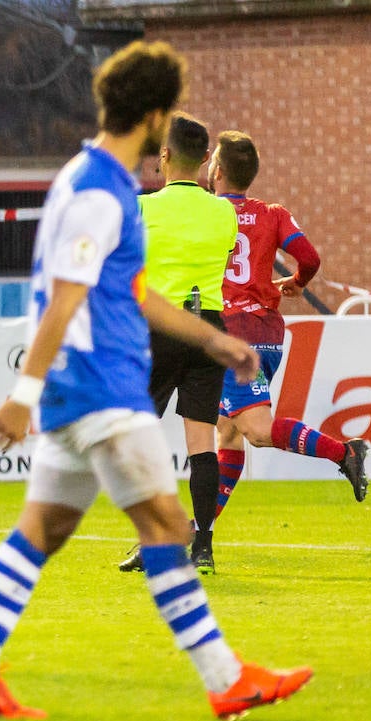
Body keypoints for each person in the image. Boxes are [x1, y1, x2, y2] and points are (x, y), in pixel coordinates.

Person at [0, 41, 312, 721]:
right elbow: (65, 296)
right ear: (151, 113)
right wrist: (23, 395)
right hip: (98, 385)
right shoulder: (98, 192)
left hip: (83, 385)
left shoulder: (100, 183)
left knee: (42, 531)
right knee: (167, 523)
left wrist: (214, 339)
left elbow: (134, 291)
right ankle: (227, 679)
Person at [209, 130, 368, 517]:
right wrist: (295, 284)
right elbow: (310, 258)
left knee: (257, 431)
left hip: (232, 334)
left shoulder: (206, 214)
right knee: (228, 431)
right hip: (267, 333)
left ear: (217, 171)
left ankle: (345, 452)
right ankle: (198, 533)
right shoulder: (273, 214)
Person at [116, 113, 238, 574]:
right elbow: (222, 257)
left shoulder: (143, 208)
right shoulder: (225, 212)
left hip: (159, 328)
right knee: (201, 442)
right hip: (208, 328)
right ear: (207, 160)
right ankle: (202, 546)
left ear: (163, 156)